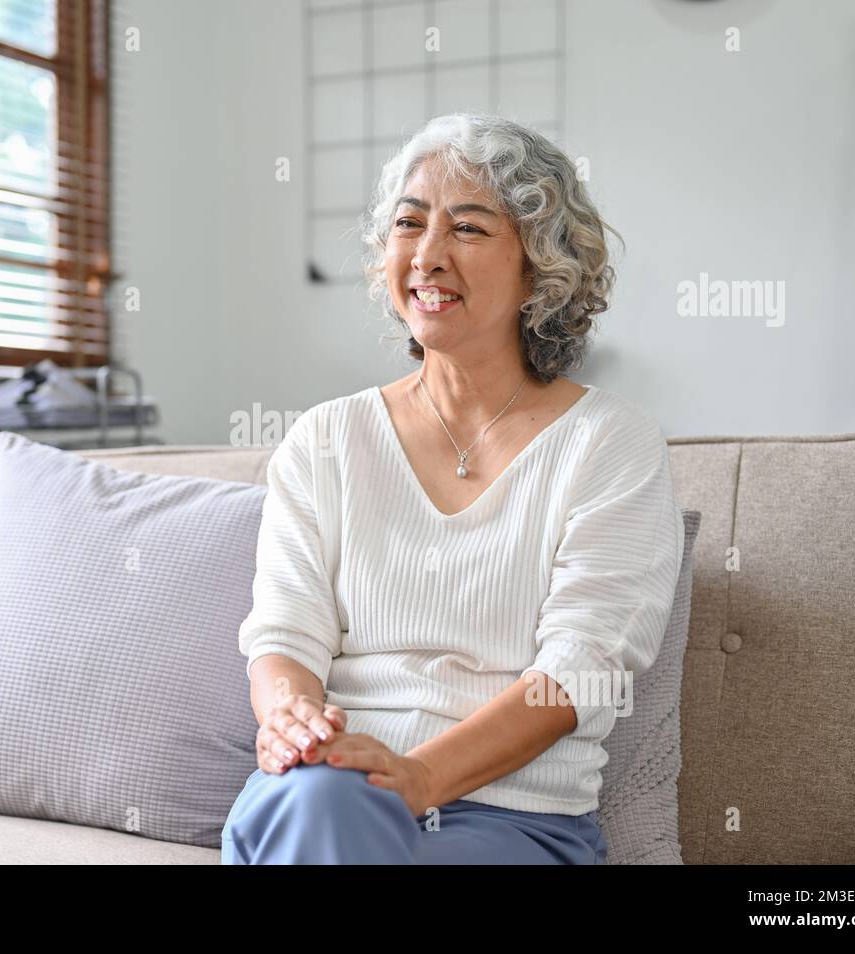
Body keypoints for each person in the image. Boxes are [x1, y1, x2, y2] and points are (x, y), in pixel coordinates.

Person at [221, 112, 685, 865]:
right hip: (323, 796)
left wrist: (419, 776)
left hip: (512, 820)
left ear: (541, 264)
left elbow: (580, 672)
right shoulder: (325, 441)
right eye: (410, 223)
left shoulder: (611, 445)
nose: (428, 255)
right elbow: (283, 638)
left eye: (468, 229)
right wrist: (293, 719)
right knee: (328, 803)